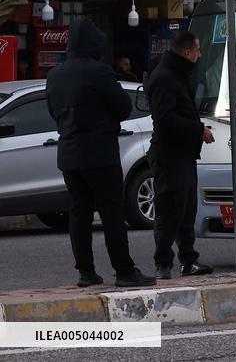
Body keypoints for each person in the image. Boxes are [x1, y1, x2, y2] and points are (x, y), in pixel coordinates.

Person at [45, 20, 155, 288]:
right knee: (112, 213)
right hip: (99, 154)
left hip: (69, 154)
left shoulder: (55, 74)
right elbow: (121, 108)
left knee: (79, 213)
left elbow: (52, 111)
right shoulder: (99, 72)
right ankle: (125, 271)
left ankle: (86, 272)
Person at [147, 30, 215, 279]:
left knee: (187, 211)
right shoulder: (165, 78)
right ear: (187, 52)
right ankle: (163, 262)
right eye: (198, 50)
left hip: (183, 154)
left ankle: (188, 259)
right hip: (169, 155)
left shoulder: (178, 73)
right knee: (170, 210)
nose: (200, 55)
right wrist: (198, 129)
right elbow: (165, 119)